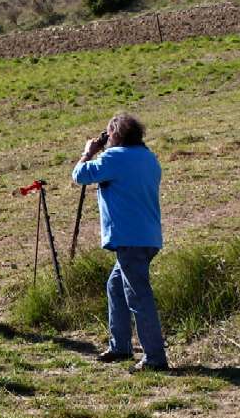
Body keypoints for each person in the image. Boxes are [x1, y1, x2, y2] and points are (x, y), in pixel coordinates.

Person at [71, 112, 168, 372]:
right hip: (148, 236)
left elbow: (79, 175)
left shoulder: (115, 158)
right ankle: (120, 346)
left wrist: (88, 151)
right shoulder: (149, 158)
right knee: (115, 286)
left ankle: (155, 357)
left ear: (115, 135)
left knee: (138, 295)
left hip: (129, 237)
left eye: (108, 133)